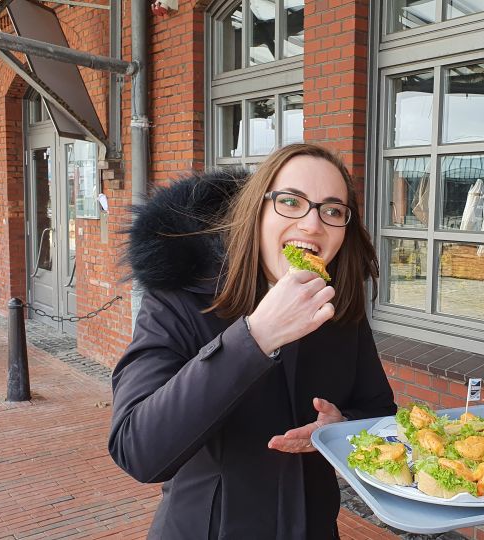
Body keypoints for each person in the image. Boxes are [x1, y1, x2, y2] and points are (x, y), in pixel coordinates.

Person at [109, 143, 397, 539]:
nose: (313, 225)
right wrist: (255, 337)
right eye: (291, 202)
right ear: (255, 211)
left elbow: (378, 411)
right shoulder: (179, 300)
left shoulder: (340, 308)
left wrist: (341, 428)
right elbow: (138, 450)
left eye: (332, 210)